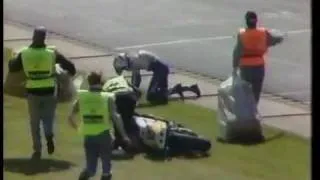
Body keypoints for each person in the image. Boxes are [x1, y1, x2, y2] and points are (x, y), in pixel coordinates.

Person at [8, 26, 76, 160]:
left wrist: (13, 58)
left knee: (34, 122)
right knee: (48, 119)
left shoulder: (25, 53)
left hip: (33, 91)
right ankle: (49, 136)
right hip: (49, 90)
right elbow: (71, 67)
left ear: (33, 37)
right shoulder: (51, 53)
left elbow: (13, 67)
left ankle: (37, 150)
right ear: (45, 38)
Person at [68, 71, 132, 180]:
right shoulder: (108, 97)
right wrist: (124, 136)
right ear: (101, 82)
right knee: (106, 168)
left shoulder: (83, 97)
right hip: (104, 135)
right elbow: (116, 117)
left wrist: (78, 129)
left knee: (90, 170)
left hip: (88, 136)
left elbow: (70, 117)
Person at [232, 11, 285, 105]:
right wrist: (281, 37)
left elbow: (237, 52)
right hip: (259, 65)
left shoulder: (242, 35)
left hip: (245, 67)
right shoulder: (263, 33)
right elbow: (274, 40)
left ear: (246, 21)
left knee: (245, 91)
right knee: (256, 92)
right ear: (256, 21)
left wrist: (235, 67)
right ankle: (254, 110)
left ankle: (246, 112)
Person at [113, 50, 201, 104]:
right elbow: (136, 80)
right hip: (161, 69)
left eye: (123, 68)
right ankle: (191, 88)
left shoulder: (134, 62)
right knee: (162, 93)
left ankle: (177, 89)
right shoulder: (133, 59)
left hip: (160, 70)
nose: (125, 69)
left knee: (151, 96)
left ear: (124, 63)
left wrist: (132, 93)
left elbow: (136, 80)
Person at [102, 74, 141, 151]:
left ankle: (122, 143)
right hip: (129, 95)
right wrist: (136, 100)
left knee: (118, 122)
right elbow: (137, 91)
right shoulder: (122, 78)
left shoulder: (105, 85)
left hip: (115, 97)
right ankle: (129, 142)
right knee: (128, 121)